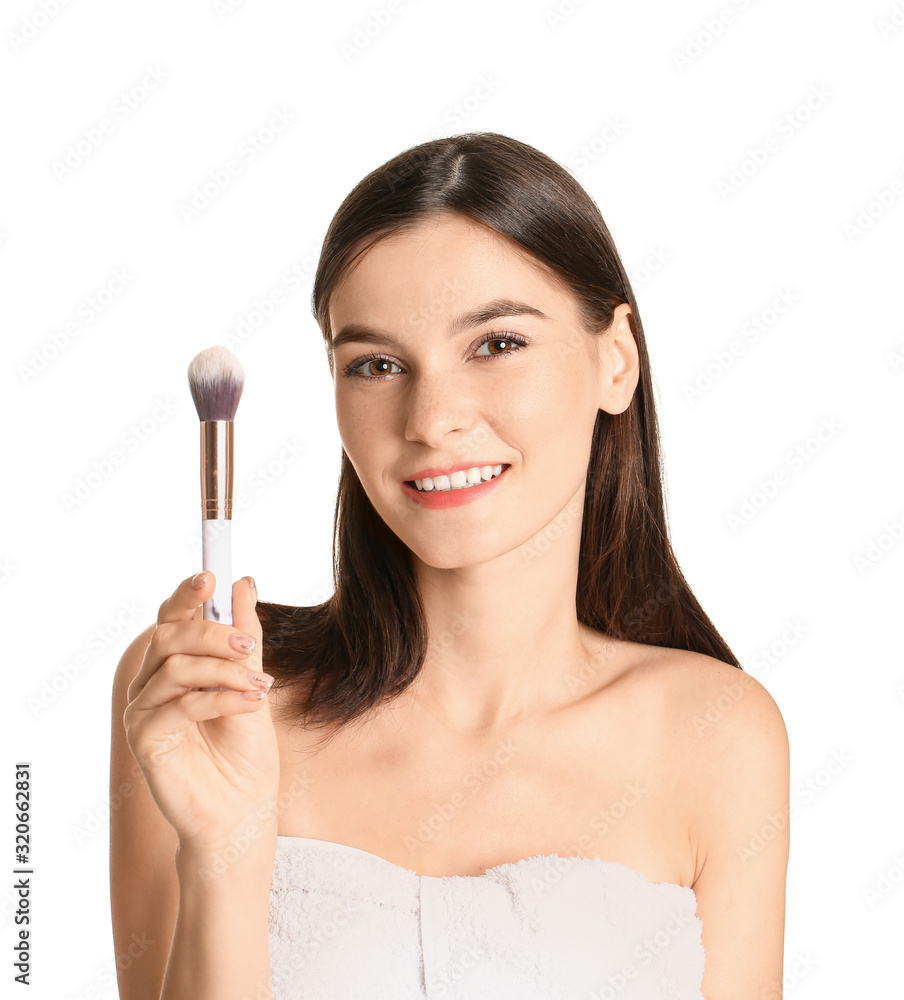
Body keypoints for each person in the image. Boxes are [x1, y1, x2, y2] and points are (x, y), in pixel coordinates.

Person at [109, 132, 789, 999]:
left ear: (616, 359)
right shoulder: (205, 700)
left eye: (497, 344)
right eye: (378, 364)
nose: (431, 418)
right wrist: (225, 854)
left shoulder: (717, 735)